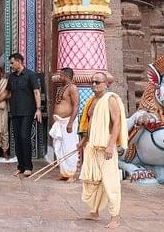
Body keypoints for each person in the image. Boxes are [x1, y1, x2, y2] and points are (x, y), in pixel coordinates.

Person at [77, 72, 128, 229]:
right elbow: (91, 124)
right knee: (94, 180)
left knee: (110, 181)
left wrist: (111, 146)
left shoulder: (111, 99)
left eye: (97, 82)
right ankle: (94, 212)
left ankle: (115, 217)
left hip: (105, 147)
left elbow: (116, 124)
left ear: (106, 84)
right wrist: (83, 141)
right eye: (92, 82)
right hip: (92, 146)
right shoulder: (92, 100)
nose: (94, 85)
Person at [0, 53, 42, 177]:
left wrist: (38, 109)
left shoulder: (30, 75)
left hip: (28, 112)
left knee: (24, 137)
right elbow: (6, 92)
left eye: (12, 63)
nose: (11, 66)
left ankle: (28, 166)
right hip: (15, 112)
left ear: (19, 62)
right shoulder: (11, 77)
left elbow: (36, 92)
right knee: (17, 139)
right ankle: (20, 166)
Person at [49, 67, 80, 182]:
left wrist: (70, 123)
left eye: (61, 75)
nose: (59, 77)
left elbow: (76, 105)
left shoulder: (72, 88)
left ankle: (71, 174)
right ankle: (64, 173)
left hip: (68, 122)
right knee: (60, 148)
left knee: (69, 148)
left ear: (67, 76)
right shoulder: (62, 88)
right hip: (60, 122)